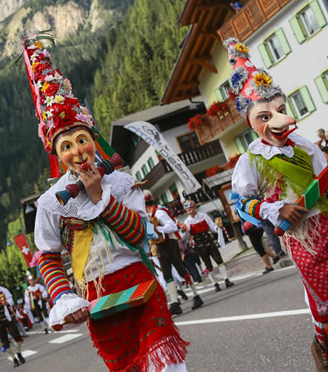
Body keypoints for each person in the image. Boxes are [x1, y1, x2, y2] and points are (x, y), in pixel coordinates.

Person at [24, 33, 190, 372]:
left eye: (81, 140)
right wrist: (64, 297)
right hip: (98, 301)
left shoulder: (121, 181)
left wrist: (100, 196)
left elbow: (141, 235)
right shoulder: (51, 203)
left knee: (167, 368)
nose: (77, 151)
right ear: (57, 155)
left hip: (141, 288)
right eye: (66, 146)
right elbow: (48, 256)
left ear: (93, 141)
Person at [225, 38, 328, 371]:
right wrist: (275, 210)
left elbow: (324, 182)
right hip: (300, 236)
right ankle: (325, 352)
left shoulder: (302, 143)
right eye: (265, 115)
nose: (278, 118)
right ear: (251, 120)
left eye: (281, 110)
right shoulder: (251, 159)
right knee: (324, 301)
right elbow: (240, 204)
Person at [144, 190, 204, 315]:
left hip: (170, 243)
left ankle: (196, 296)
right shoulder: (148, 214)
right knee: (167, 275)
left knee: (181, 270)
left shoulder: (159, 212)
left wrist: (157, 229)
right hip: (160, 245)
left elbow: (172, 226)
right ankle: (175, 303)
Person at [183, 200, 234, 292]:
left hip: (209, 242)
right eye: (187, 210)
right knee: (208, 264)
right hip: (200, 246)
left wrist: (217, 228)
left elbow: (212, 226)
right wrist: (184, 231)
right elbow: (187, 233)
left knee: (219, 260)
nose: (189, 211)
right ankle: (215, 284)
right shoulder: (187, 221)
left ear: (195, 208)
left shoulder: (204, 216)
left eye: (190, 209)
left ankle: (226, 279)